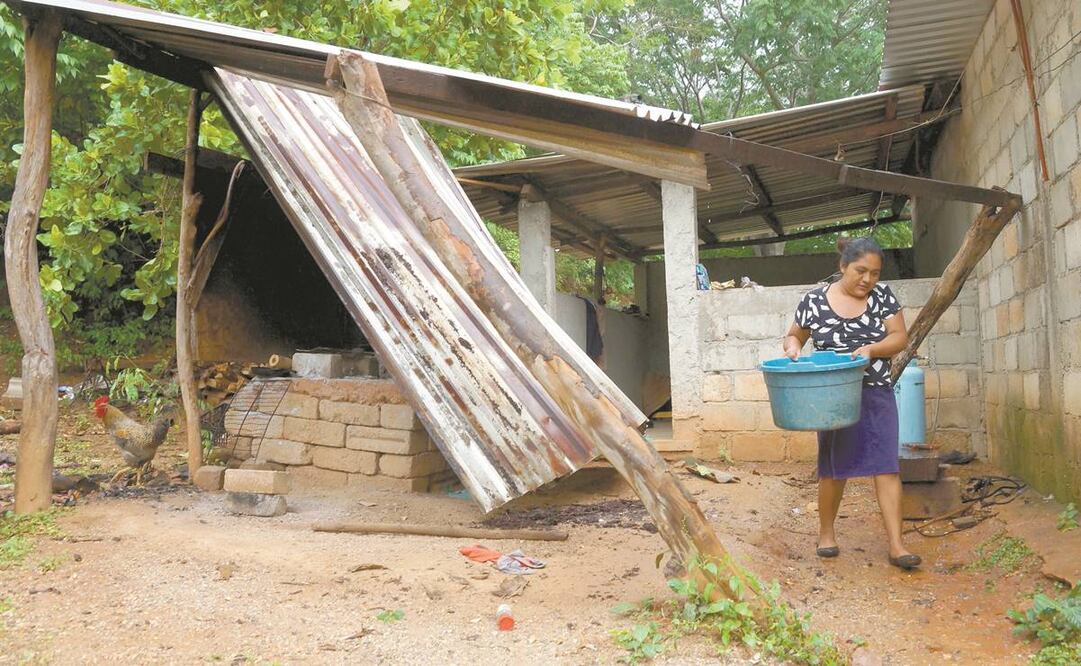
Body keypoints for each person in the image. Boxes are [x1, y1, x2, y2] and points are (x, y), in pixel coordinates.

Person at [782, 236, 921, 570]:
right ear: (843, 266)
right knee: (833, 467)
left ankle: (897, 544)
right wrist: (792, 348)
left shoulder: (883, 297)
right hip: (831, 396)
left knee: (886, 466)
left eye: (874, 273)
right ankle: (826, 534)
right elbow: (794, 335)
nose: (868, 280)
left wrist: (873, 349)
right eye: (861, 271)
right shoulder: (814, 301)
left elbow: (899, 337)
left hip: (875, 390)